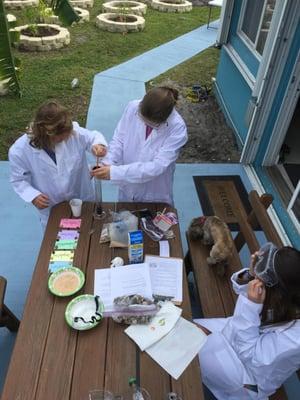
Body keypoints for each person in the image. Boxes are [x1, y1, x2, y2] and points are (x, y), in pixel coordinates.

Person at [195, 244, 300, 400]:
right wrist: (251, 275)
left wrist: (251, 306)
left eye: (261, 281)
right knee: (186, 326)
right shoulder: (285, 297)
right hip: (237, 332)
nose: (258, 282)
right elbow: (245, 290)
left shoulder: (295, 338)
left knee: (184, 337)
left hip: (247, 376)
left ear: (277, 291)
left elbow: (248, 355)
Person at [9, 100, 107, 228]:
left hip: (83, 199)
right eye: (61, 138)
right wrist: (33, 196)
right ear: (47, 135)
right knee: (61, 242)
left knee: (89, 232)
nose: (66, 139)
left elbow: (93, 137)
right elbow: (18, 180)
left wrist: (98, 145)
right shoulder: (19, 151)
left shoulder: (73, 133)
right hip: (52, 207)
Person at [91, 86, 188, 205]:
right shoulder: (133, 107)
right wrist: (108, 162)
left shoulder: (177, 128)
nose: (144, 123)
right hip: (127, 187)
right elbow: (119, 139)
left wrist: (115, 172)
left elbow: (157, 166)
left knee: (153, 219)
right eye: (142, 118)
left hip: (154, 190)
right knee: (124, 218)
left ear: (163, 120)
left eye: (151, 124)